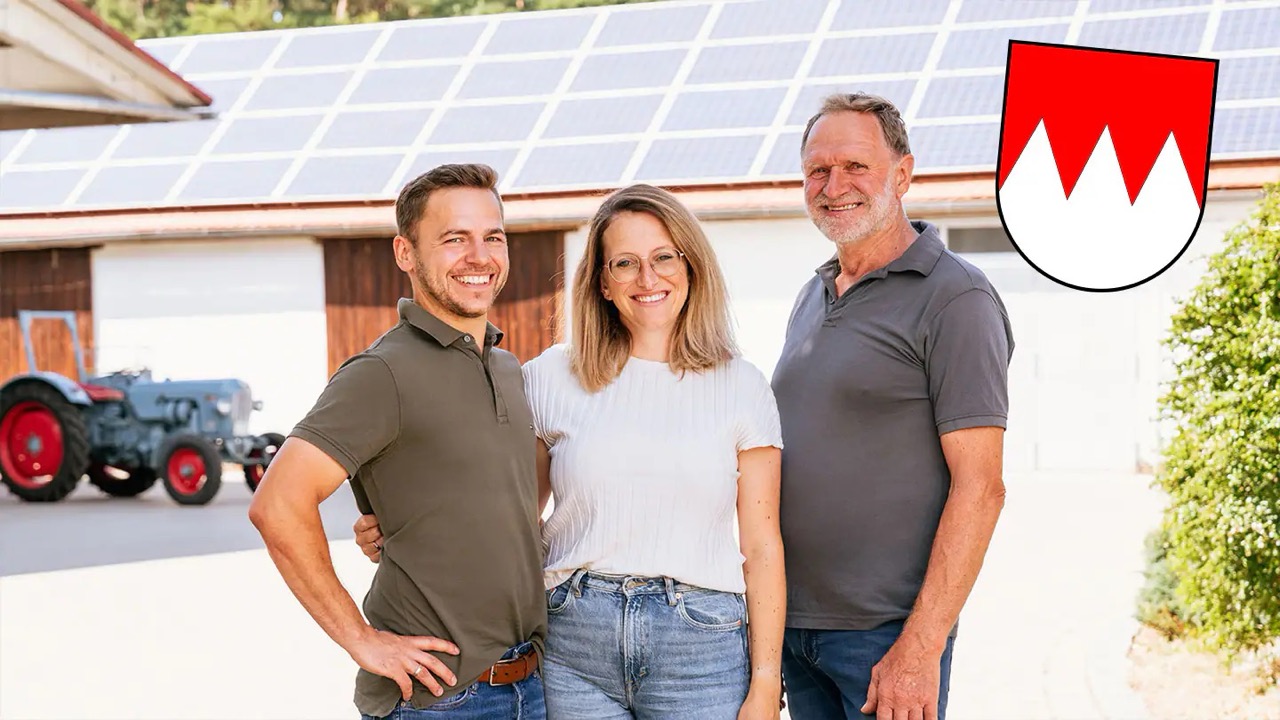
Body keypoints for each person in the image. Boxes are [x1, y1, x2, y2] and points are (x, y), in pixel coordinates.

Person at [356, 183, 788, 719]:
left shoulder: (742, 385)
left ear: (691, 266)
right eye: (625, 263)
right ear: (602, 283)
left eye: (663, 258)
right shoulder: (550, 378)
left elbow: (763, 546)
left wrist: (767, 681)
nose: (647, 279)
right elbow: (508, 511)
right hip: (574, 638)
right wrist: (402, 528)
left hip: (701, 643)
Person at [248, 163, 548, 720]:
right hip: (440, 701)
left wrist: (410, 530)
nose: (479, 256)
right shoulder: (381, 373)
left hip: (530, 687)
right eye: (454, 238)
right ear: (406, 253)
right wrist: (362, 639)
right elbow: (278, 504)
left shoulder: (508, 368)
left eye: (493, 237)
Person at [770, 93, 1015, 720]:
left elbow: (981, 487)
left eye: (855, 166)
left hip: (883, 638)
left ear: (903, 174)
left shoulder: (956, 298)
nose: (834, 186)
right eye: (818, 171)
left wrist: (921, 645)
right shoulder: (812, 292)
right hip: (793, 630)